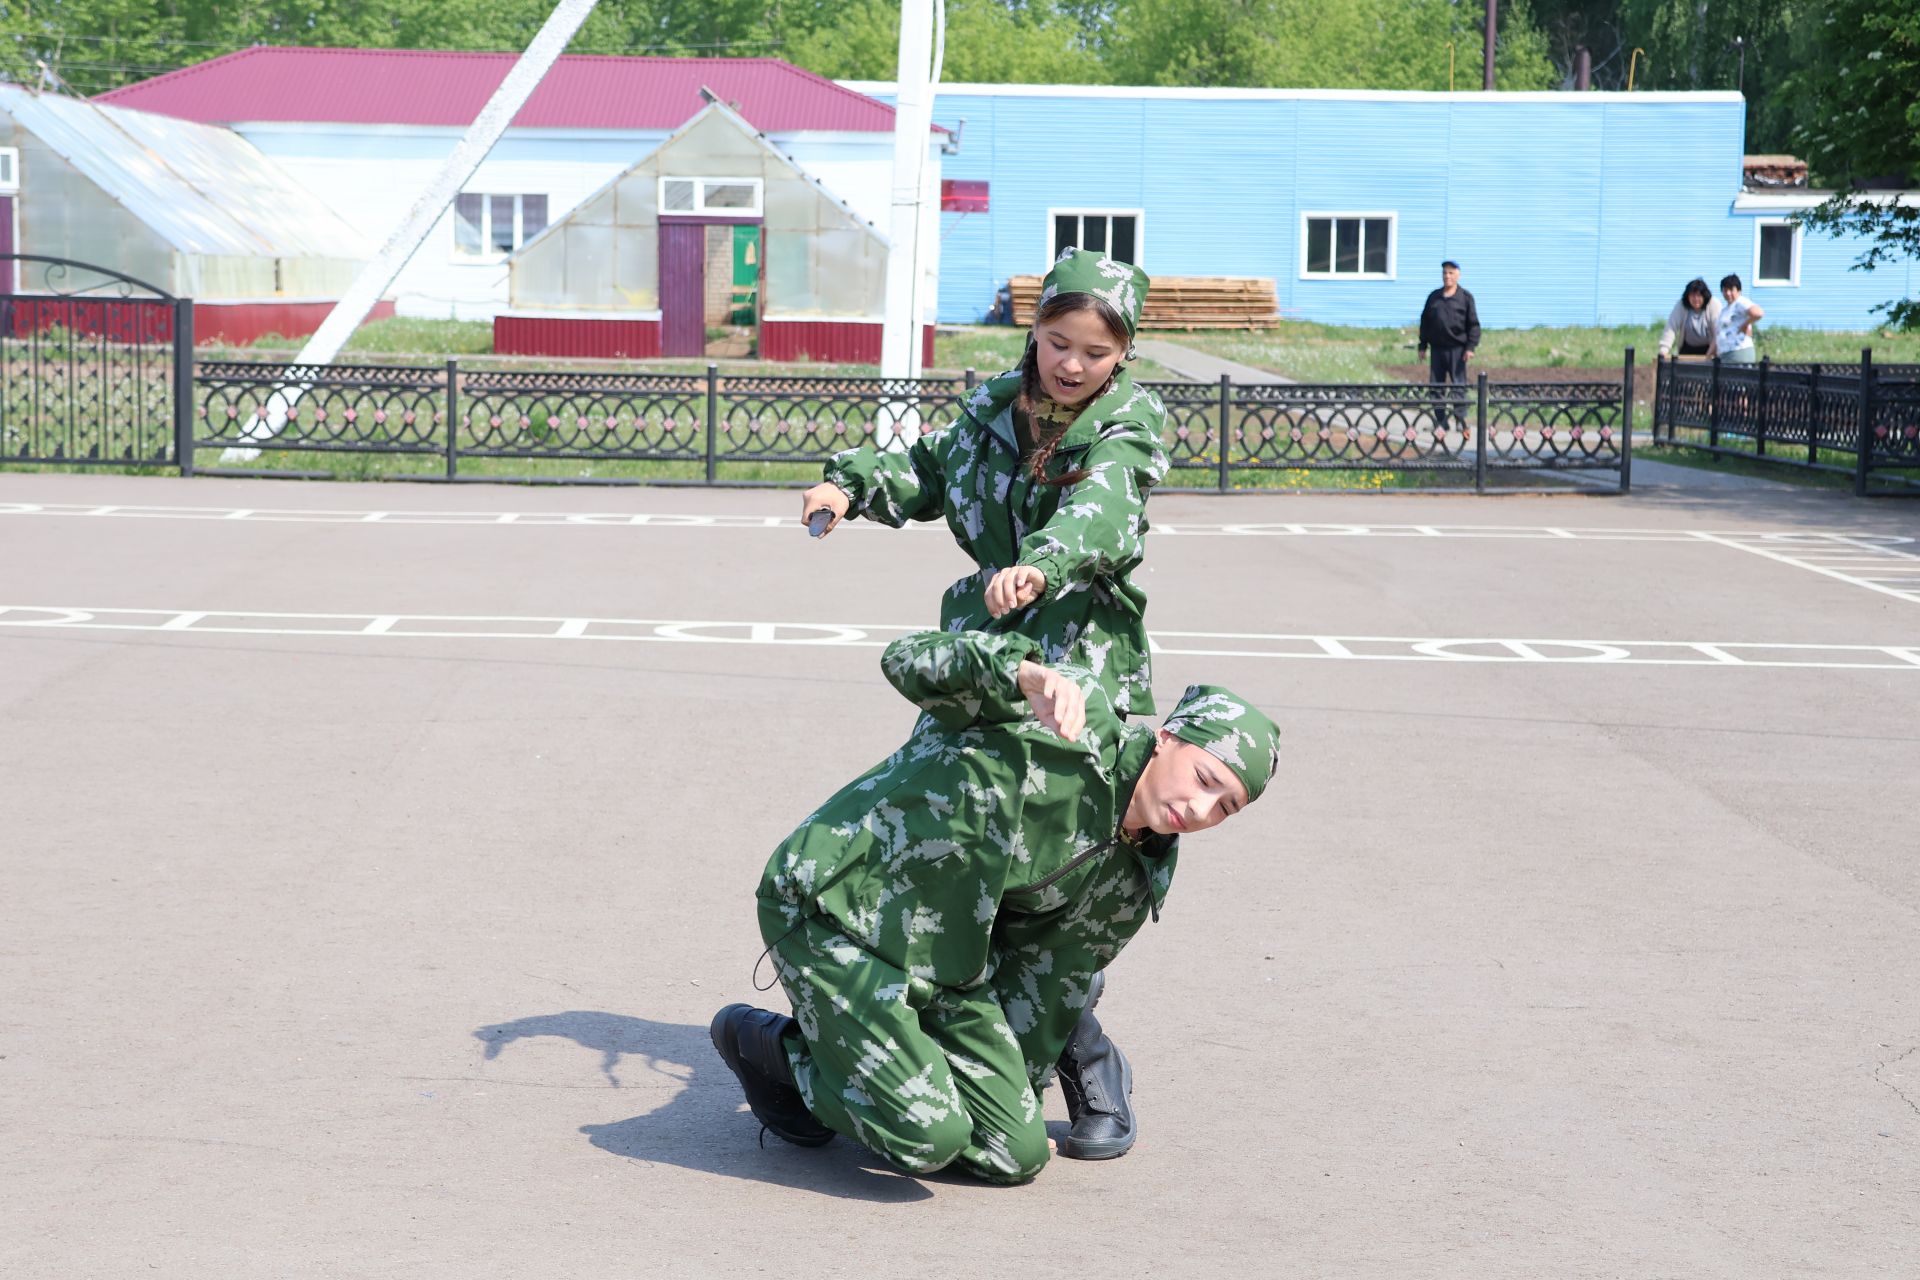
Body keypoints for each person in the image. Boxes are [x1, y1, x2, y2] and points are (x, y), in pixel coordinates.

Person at [792, 246, 1168, 1159]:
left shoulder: (1129, 424)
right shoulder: (994, 412)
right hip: (987, 657)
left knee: (1068, 870)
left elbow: (1106, 508)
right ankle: (870, 1046)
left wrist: (1044, 559)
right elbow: (927, 470)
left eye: (1095, 350)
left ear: (1123, 357)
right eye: (1057, 341)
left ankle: (1085, 1056)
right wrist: (849, 484)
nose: (1072, 364)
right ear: (1032, 333)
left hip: (1081, 663)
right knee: (961, 845)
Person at [710, 628, 1281, 1184]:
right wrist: (1016, 673)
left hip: (949, 965)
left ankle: (866, 1067)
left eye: (1224, 806)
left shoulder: (1137, 872)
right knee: (926, 1136)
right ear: (1167, 739)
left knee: (1015, 1154)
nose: (1201, 808)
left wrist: (1018, 1098)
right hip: (839, 912)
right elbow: (907, 658)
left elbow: (1048, 976)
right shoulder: (1068, 719)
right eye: (1204, 777)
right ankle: (772, 1047)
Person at [1417, 260, 1481, 436]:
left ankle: (1461, 420)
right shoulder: (1434, 297)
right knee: (1436, 387)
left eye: (1451, 273)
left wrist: (1470, 347)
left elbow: (1473, 325)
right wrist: (1422, 345)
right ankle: (1441, 422)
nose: (1447, 276)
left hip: (1458, 350)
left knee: (1458, 386)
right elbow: (1425, 322)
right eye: (1445, 273)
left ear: (1458, 275)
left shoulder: (1465, 298)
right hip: (1437, 349)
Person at [1658, 278, 1721, 359]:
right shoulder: (1681, 305)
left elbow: (1719, 332)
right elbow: (1671, 327)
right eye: (1692, 296)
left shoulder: (1713, 304)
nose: (1695, 299)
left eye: (1699, 295)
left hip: (1710, 348)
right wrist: (1664, 349)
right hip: (1687, 348)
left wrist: (1709, 354)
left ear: (1704, 296)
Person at [1715, 274, 1764, 364]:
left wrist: (1745, 324)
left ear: (1738, 291)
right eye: (1725, 290)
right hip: (1725, 353)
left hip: (1739, 351)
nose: (1728, 293)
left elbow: (1758, 313)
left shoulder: (1740, 302)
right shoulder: (1725, 309)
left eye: (1731, 290)